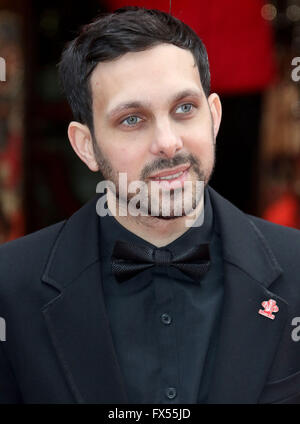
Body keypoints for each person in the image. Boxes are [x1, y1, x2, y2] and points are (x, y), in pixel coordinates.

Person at [0, 6, 300, 404]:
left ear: (213, 117)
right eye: (132, 120)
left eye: (184, 109)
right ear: (85, 146)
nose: (168, 142)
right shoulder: (10, 285)